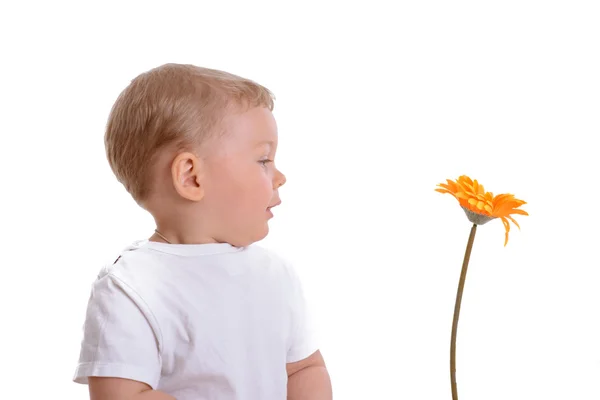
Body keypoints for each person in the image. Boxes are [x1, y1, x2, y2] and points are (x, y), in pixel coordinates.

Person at [73, 63, 332, 400]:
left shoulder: (274, 274)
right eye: (264, 160)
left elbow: (304, 368)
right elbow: (122, 396)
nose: (279, 176)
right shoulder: (131, 286)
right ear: (192, 177)